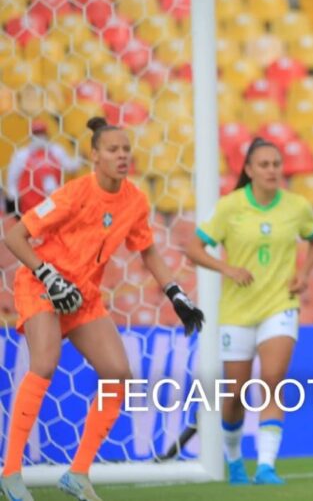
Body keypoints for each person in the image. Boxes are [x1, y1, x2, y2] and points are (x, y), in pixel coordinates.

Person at [0, 117, 204, 501]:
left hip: (82, 295)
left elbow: (148, 251)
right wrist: (48, 274)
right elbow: (15, 236)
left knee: (117, 374)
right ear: (94, 156)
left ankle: (78, 474)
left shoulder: (135, 200)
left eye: (126, 149)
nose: (122, 155)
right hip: (43, 285)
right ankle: (10, 473)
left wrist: (176, 293)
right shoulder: (74, 194)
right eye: (113, 150)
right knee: (44, 362)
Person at [184, 138, 313, 485]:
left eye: (276, 164)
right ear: (248, 170)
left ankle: (266, 466)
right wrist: (226, 269)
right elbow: (193, 247)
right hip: (237, 311)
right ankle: (234, 459)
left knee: (273, 380)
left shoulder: (297, 206)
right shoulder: (231, 207)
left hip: (280, 305)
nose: (272, 170)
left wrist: (303, 274)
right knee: (235, 394)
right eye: (264, 164)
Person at [5, 120, 81, 216]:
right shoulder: (22, 154)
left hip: (53, 200)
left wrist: (80, 158)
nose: (39, 137)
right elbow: (12, 179)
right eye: (36, 134)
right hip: (30, 201)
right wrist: (14, 198)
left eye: (41, 133)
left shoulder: (56, 150)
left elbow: (70, 166)